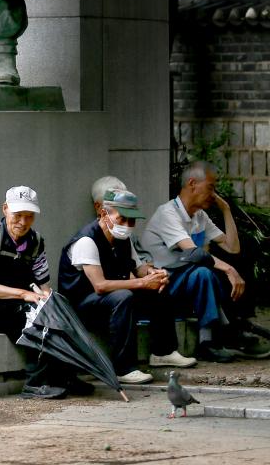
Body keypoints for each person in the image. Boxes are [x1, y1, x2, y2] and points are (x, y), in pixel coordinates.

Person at [58, 189, 196, 384]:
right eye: (122, 219)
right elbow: (100, 286)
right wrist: (142, 283)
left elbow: (140, 270)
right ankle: (123, 368)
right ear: (105, 214)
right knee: (123, 296)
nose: (127, 225)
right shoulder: (86, 241)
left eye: (132, 221)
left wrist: (155, 274)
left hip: (109, 300)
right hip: (81, 307)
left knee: (158, 286)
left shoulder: (123, 240)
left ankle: (163, 352)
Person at [0, 186, 93, 399]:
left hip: (21, 302)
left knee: (57, 317)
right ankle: (35, 383)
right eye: (18, 215)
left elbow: (44, 285)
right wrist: (24, 295)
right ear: (5, 209)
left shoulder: (36, 241)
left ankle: (66, 377)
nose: (23, 222)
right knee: (33, 321)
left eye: (29, 216)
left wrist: (52, 305)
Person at [141, 160, 264, 362]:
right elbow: (194, 253)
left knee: (232, 258)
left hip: (185, 280)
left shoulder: (199, 216)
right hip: (161, 283)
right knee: (207, 271)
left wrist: (226, 210)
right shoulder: (168, 213)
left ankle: (223, 335)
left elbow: (233, 247)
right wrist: (229, 270)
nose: (214, 194)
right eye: (210, 187)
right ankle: (221, 337)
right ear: (192, 183)